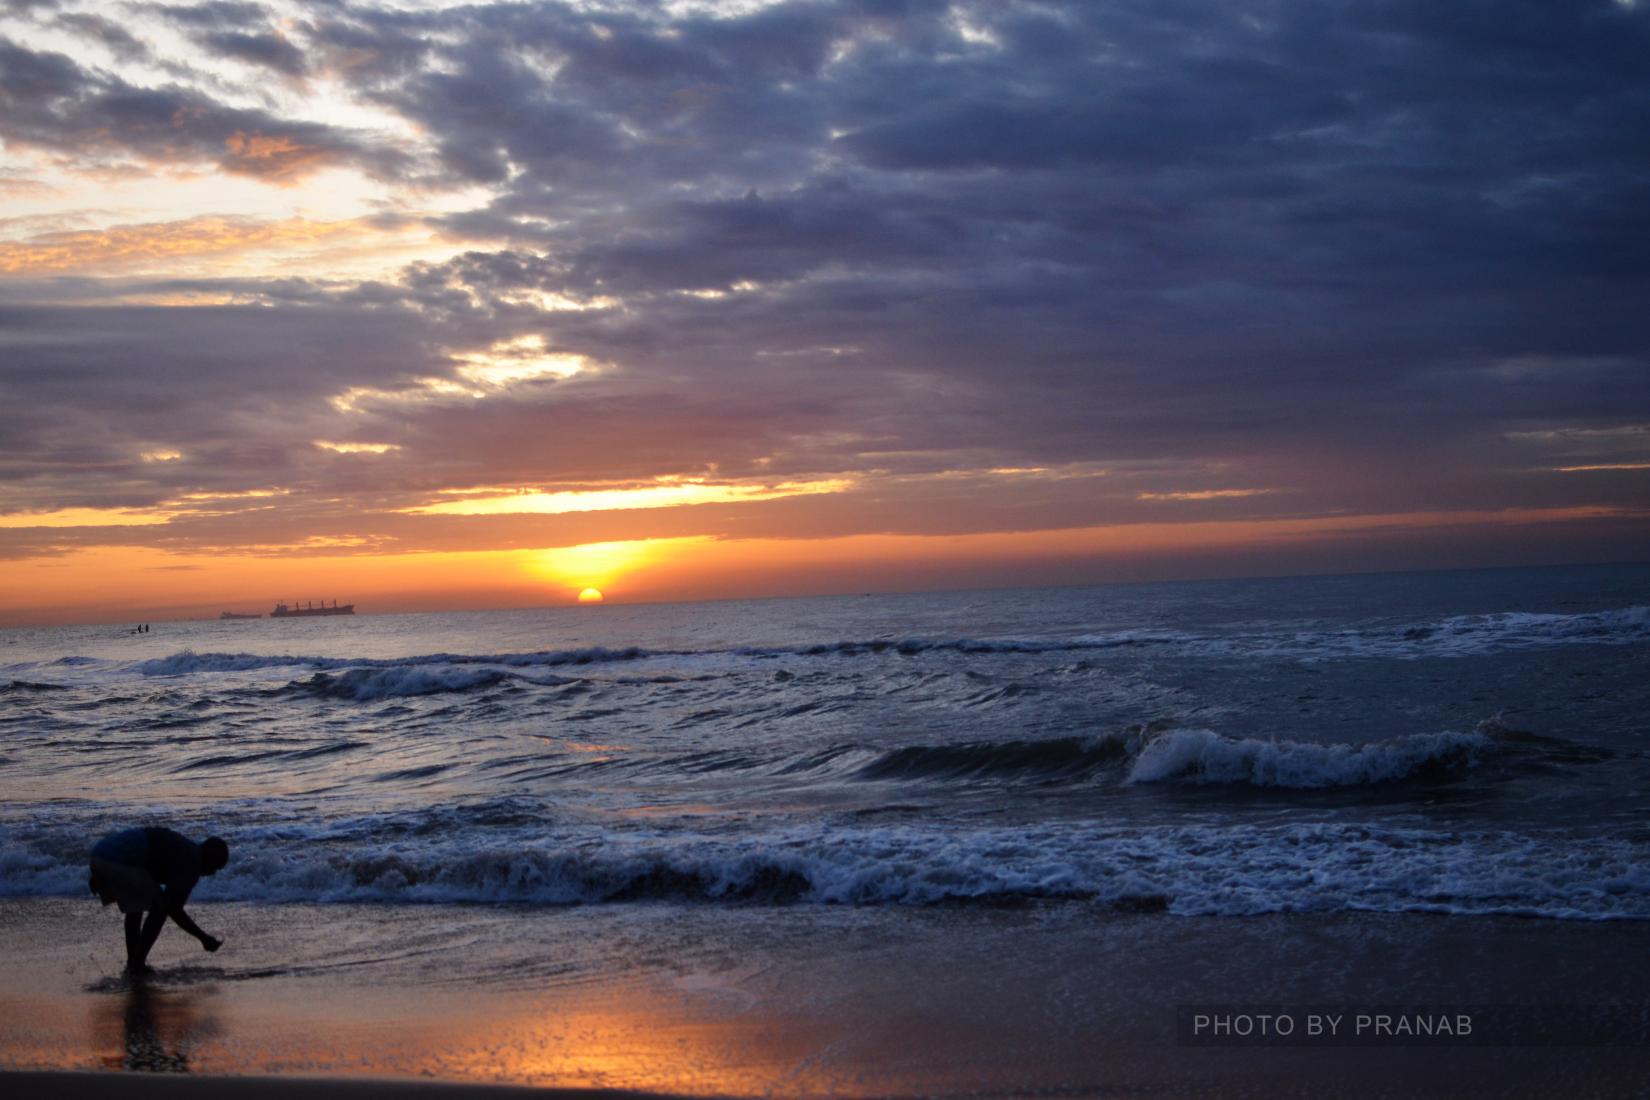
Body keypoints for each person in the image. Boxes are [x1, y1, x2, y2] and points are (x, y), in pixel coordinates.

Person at [88, 827, 228, 974]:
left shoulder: (185, 849)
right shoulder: (192, 862)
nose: (212, 873)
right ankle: (137, 963)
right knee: (160, 908)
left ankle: (133, 962)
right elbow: (173, 908)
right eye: (216, 867)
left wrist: (99, 872)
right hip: (119, 859)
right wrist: (203, 937)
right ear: (209, 857)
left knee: (136, 907)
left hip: (100, 855)